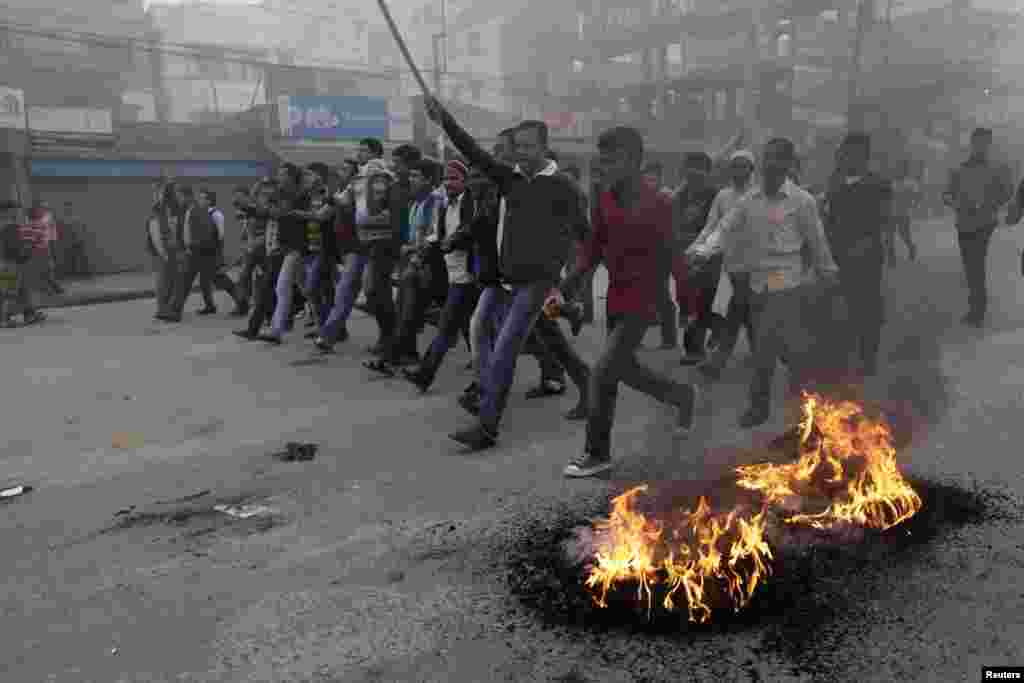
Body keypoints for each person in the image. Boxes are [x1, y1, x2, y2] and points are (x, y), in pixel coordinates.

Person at [424, 96, 587, 452]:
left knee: (505, 347)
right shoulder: (510, 179)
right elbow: (473, 151)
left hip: (538, 281)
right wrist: (444, 120)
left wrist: (570, 283)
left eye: (529, 147)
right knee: (551, 340)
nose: (522, 153)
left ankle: (487, 426)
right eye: (518, 147)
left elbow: (586, 237)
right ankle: (588, 386)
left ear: (545, 147)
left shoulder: (563, 187)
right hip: (510, 279)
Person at [551, 125, 699, 478]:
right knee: (625, 369)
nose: (604, 167)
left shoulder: (660, 203)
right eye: (601, 160)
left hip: (645, 301)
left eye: (611, 160)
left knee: (603, 373)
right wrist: (569, 285)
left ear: (634, 161)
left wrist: (690, 306)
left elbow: (676, 256)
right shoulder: (604, 197)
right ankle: (680, 396)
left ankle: (597, 452)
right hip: (615, 298)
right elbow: (593, 249)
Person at [687, 137, 839, 429]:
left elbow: (817, 241)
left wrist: (827, 272)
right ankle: (784, 408)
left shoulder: (802, 201)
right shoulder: (748, 201)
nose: (771, 165)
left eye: (778, 159)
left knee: (772, 347)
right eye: (768, 158)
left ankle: (786, 411)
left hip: (787, 284)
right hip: (756, 283)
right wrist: (702, 252)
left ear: (788, 165)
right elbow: (724, 229)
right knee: (776, 349)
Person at [401, 159, 481, 391]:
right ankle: (426, 375)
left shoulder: (472, 204)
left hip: (471, 277)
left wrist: (453, 241)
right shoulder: (446, 206)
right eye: (446, 178)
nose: (449, 183)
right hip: (455, 276)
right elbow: (439, 236)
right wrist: (423, 249)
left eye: (454, 178)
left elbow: (472, 231)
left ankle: (480, 380)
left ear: (465, 181)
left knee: (462, 329)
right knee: (460, 328)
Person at [364, 158, 447, 373]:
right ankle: (399, 356)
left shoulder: (435, 201)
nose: (411, 180)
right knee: (407, 312)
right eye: (410, 176)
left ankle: (394, 357)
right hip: (412, 262)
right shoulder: (415, 202)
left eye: (416, 176)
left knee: (412, 313)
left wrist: (413, 250)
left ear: (429, 180)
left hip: (427, 265)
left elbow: (436, 234)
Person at [822, 133, 892, 378]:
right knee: (838, 307)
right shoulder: (835, 182)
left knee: (868, 309)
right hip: (837, 253)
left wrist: (870, 245)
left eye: (855, 153)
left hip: (867, 255)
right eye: (847, 152)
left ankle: (868, 357)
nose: (850, 157)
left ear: (865, 155)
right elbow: (828, 216)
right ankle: (842, 357)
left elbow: (884, 220)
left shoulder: (879, 184)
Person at [315, 159, 401, 352]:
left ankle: (389, 336)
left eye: (345, 169)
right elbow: (334, 208)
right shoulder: (351, 188)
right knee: (347, 291)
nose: (340, 172)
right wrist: (331, 197)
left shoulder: (386, 185)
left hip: (377, 245)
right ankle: (329, 335)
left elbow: (390, 213)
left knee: (373, 291)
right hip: (356, 247)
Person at [695, 149, 759, 381]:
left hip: (758, 263)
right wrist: (695, 249)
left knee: (739, 305)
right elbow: (711, 226)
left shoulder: (759, 195)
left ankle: (718, 360)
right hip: (733, 263)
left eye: (744, 166)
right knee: (748, 308)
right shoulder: (723, 196)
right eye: (735, 166)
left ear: (752, 170)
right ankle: (765, 352)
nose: (739, 171)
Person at [942, 127, 1013, 328]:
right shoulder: (958, 169)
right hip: (963, 223)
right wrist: (955, 203)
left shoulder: (997, 169)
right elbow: (946, 194)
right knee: (970, 266)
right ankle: (976, 308)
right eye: (978, 143)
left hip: (984, 223)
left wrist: (990, 203)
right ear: (972, 144)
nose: (981, 147)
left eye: (985, 143)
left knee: (976, 264)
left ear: (988, 145)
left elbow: (1007, 192)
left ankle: (977, 311)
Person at [234, 164, 303, 341]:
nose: (278, 176)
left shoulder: (297, 193)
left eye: (282, 173)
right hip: (279, 247)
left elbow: (278, 213)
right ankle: (259, 329)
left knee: (304, 289)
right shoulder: (279, 194)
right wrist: (249, 208)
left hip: (294, 247)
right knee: (270, 288)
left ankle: (288, 321)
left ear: (290, 176)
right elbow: (267, 212)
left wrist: (258, 208)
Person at [670, 152, 720, 361]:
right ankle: (723, 327)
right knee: (685, 302)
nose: (694, 173)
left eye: (699, 169)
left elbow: (717, 227)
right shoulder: (679, 195)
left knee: (701, 303)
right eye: (690, 168)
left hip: (707, 257)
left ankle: (694, 350)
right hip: (682, 255)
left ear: (708, 172)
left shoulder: (715, 195)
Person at [148, 180, 183, 321]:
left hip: (169, 248)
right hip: (168, 248)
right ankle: (164, 309)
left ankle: (165, 309)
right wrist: (163, 251)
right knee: (166, 280)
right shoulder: (162, 208)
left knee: (169, 280)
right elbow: (158, 229)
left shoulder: (167, 208)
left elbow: (170, 228)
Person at [888, 161, 920, 263]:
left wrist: (913, 204)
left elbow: (917, 196)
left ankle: (911, 247)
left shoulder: (910, 183)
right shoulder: (891, 182)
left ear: (905, 170)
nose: (898, 170)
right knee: (889, 236)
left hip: (903, 213)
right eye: (897, 168)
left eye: (901, 168)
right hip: (890, 212)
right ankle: (891, 258)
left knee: (904, 234)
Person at [60, 200, 90, 278]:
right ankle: (72, 274)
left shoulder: (77, 217)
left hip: (78, 240)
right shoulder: (64, 219)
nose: (68, 209)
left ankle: (85, 274)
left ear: (71, 208)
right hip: (69, 242)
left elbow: (83, 228)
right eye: (66, 207)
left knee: (81, 258)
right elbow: (63, 231)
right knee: (71, 258)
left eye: (69, 207)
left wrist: (82, 237)